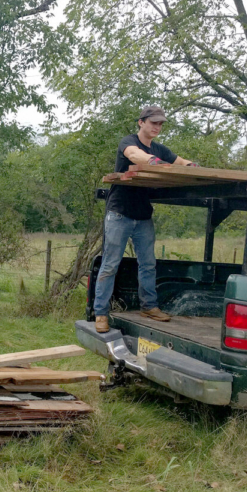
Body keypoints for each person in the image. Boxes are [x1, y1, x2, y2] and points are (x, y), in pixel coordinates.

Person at [93, 106, 198, 333]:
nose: (157, 127)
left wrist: (190, 165)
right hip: (119, 213)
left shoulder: (160, 149)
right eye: (153, 123)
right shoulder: (128, 142)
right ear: (141, 122)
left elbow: (179, 160)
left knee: (148, 264)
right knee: (110, 264)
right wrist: (152, 161)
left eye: (161, 124)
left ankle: (149, 306)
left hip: (142, 216)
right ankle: (100, 314)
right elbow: (134, 155)